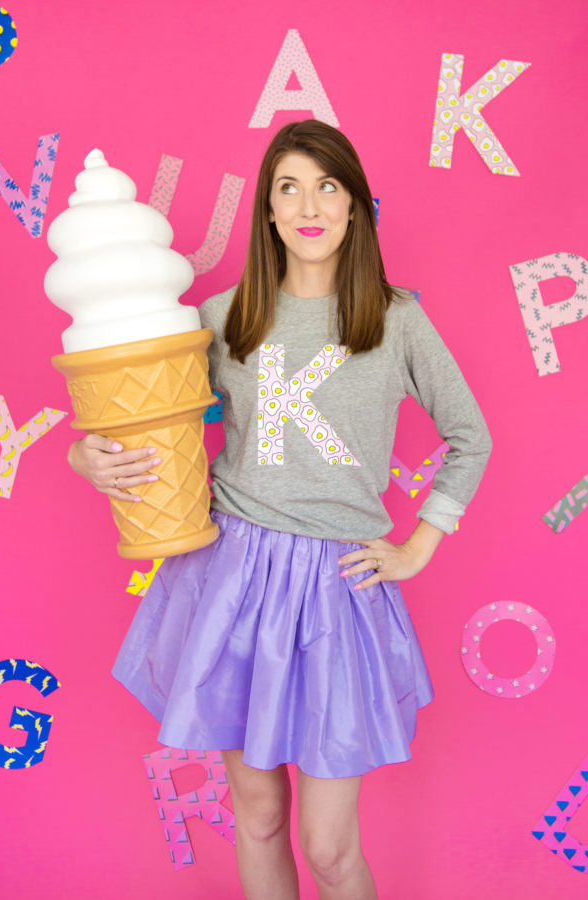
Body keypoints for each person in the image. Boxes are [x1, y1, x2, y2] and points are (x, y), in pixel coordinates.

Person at [68, 119, 492, 899]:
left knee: (330, 848)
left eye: (327, 186)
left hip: (337, 587)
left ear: (356, 206)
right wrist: (83, 453)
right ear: (267, 209)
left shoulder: (396, 320)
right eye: (288, 187)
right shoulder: (224, 318)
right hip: (234, 577)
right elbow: (145, 422)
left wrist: (419, 546)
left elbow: (472, 437)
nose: (309, 205)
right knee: (258, 816)